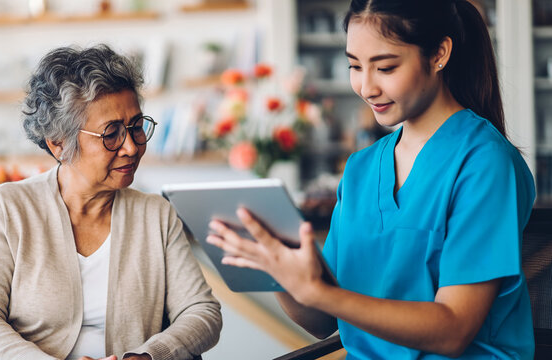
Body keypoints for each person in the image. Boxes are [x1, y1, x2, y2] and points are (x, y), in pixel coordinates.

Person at [206, 0, 535, 358]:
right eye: (354, 65)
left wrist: (322, 293)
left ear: (439, 54)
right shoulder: (361, 169)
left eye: (385, 67)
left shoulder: (484, 163)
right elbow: (322, 320)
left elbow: (453, 330)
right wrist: (278, 273)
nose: (365, 87)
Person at [0, 44, 222, 360]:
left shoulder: (156, 215)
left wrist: (149, 356)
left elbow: (202, 312)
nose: (132, 148)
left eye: (137, 127)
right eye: (112, 134)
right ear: (60, 144)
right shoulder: (8, 207)